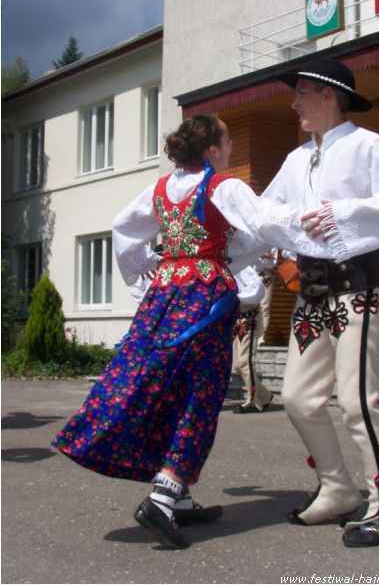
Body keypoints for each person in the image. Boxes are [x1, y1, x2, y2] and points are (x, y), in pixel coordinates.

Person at [51, 114, 334, 550]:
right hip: (204, 296)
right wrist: (316, 222)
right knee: (199, 394)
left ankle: (179, 498)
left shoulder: (160, 189)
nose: (232, 147)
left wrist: (151, 269)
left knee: (162, 383)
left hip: (165, 295)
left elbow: (123, 228)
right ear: (213, 150)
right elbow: (265, 221)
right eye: (228, 140)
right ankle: (163, 497)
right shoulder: (222, 186)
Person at [262, 58, 379, 547]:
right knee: (298, 397)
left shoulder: (368, 146)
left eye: (302, 92)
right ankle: (336, 488)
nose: (294, 102)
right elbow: (267, 212)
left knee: (357, 401)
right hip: (312, 294)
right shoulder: (297, 159)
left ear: (329, 94)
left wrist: (345, 213)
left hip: (358, 289)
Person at [232, 264, 273, 413]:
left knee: (245, 362)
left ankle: (254, 400)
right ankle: (265, 395)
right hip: (238, 319)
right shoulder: (233, 266)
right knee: (237, 364)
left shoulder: (248, 268)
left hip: (249, 318)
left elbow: (254, 293)